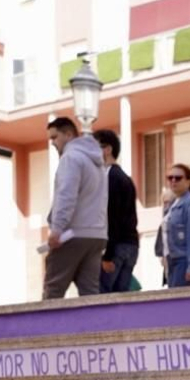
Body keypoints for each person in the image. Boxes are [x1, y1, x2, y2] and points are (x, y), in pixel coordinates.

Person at [42, 116, 107, 299]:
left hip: (71, 234)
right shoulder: (98, 164)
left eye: (55, 137)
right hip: (96, 235)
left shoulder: (70, 158)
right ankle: (95, 328)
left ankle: (47, 328)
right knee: (90, 295)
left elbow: (66, 195)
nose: (52, 143)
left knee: (53, 291)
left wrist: (57, 229)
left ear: (68, 134)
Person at [92, 128, 139, 294]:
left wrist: (108, 255)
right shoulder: (124, 178)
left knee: (102, 297)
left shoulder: (110, 178)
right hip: (130, 246)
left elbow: (112, 217)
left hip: (116, 247)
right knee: (121, 299)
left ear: (107, 149)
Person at [154, 164, 190, 288]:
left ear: (188, 181)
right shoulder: (173, 204)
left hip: (184, 261)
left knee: (182, 304)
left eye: (178, 178)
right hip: (173, 261)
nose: (173, 181)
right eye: (170, 178)